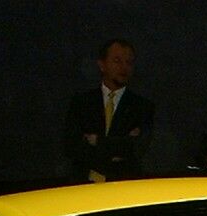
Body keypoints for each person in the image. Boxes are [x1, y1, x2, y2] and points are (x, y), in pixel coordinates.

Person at [63, 38, 155, 182]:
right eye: (117, 61)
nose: (124, 68)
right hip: (83, 186)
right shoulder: (82, 102)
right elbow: (71, 146)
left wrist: (96, 141)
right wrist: (115, 151)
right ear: (102, 65)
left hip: (122, 188)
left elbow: (136, 149)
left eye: (128, 62)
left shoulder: (142, 107)